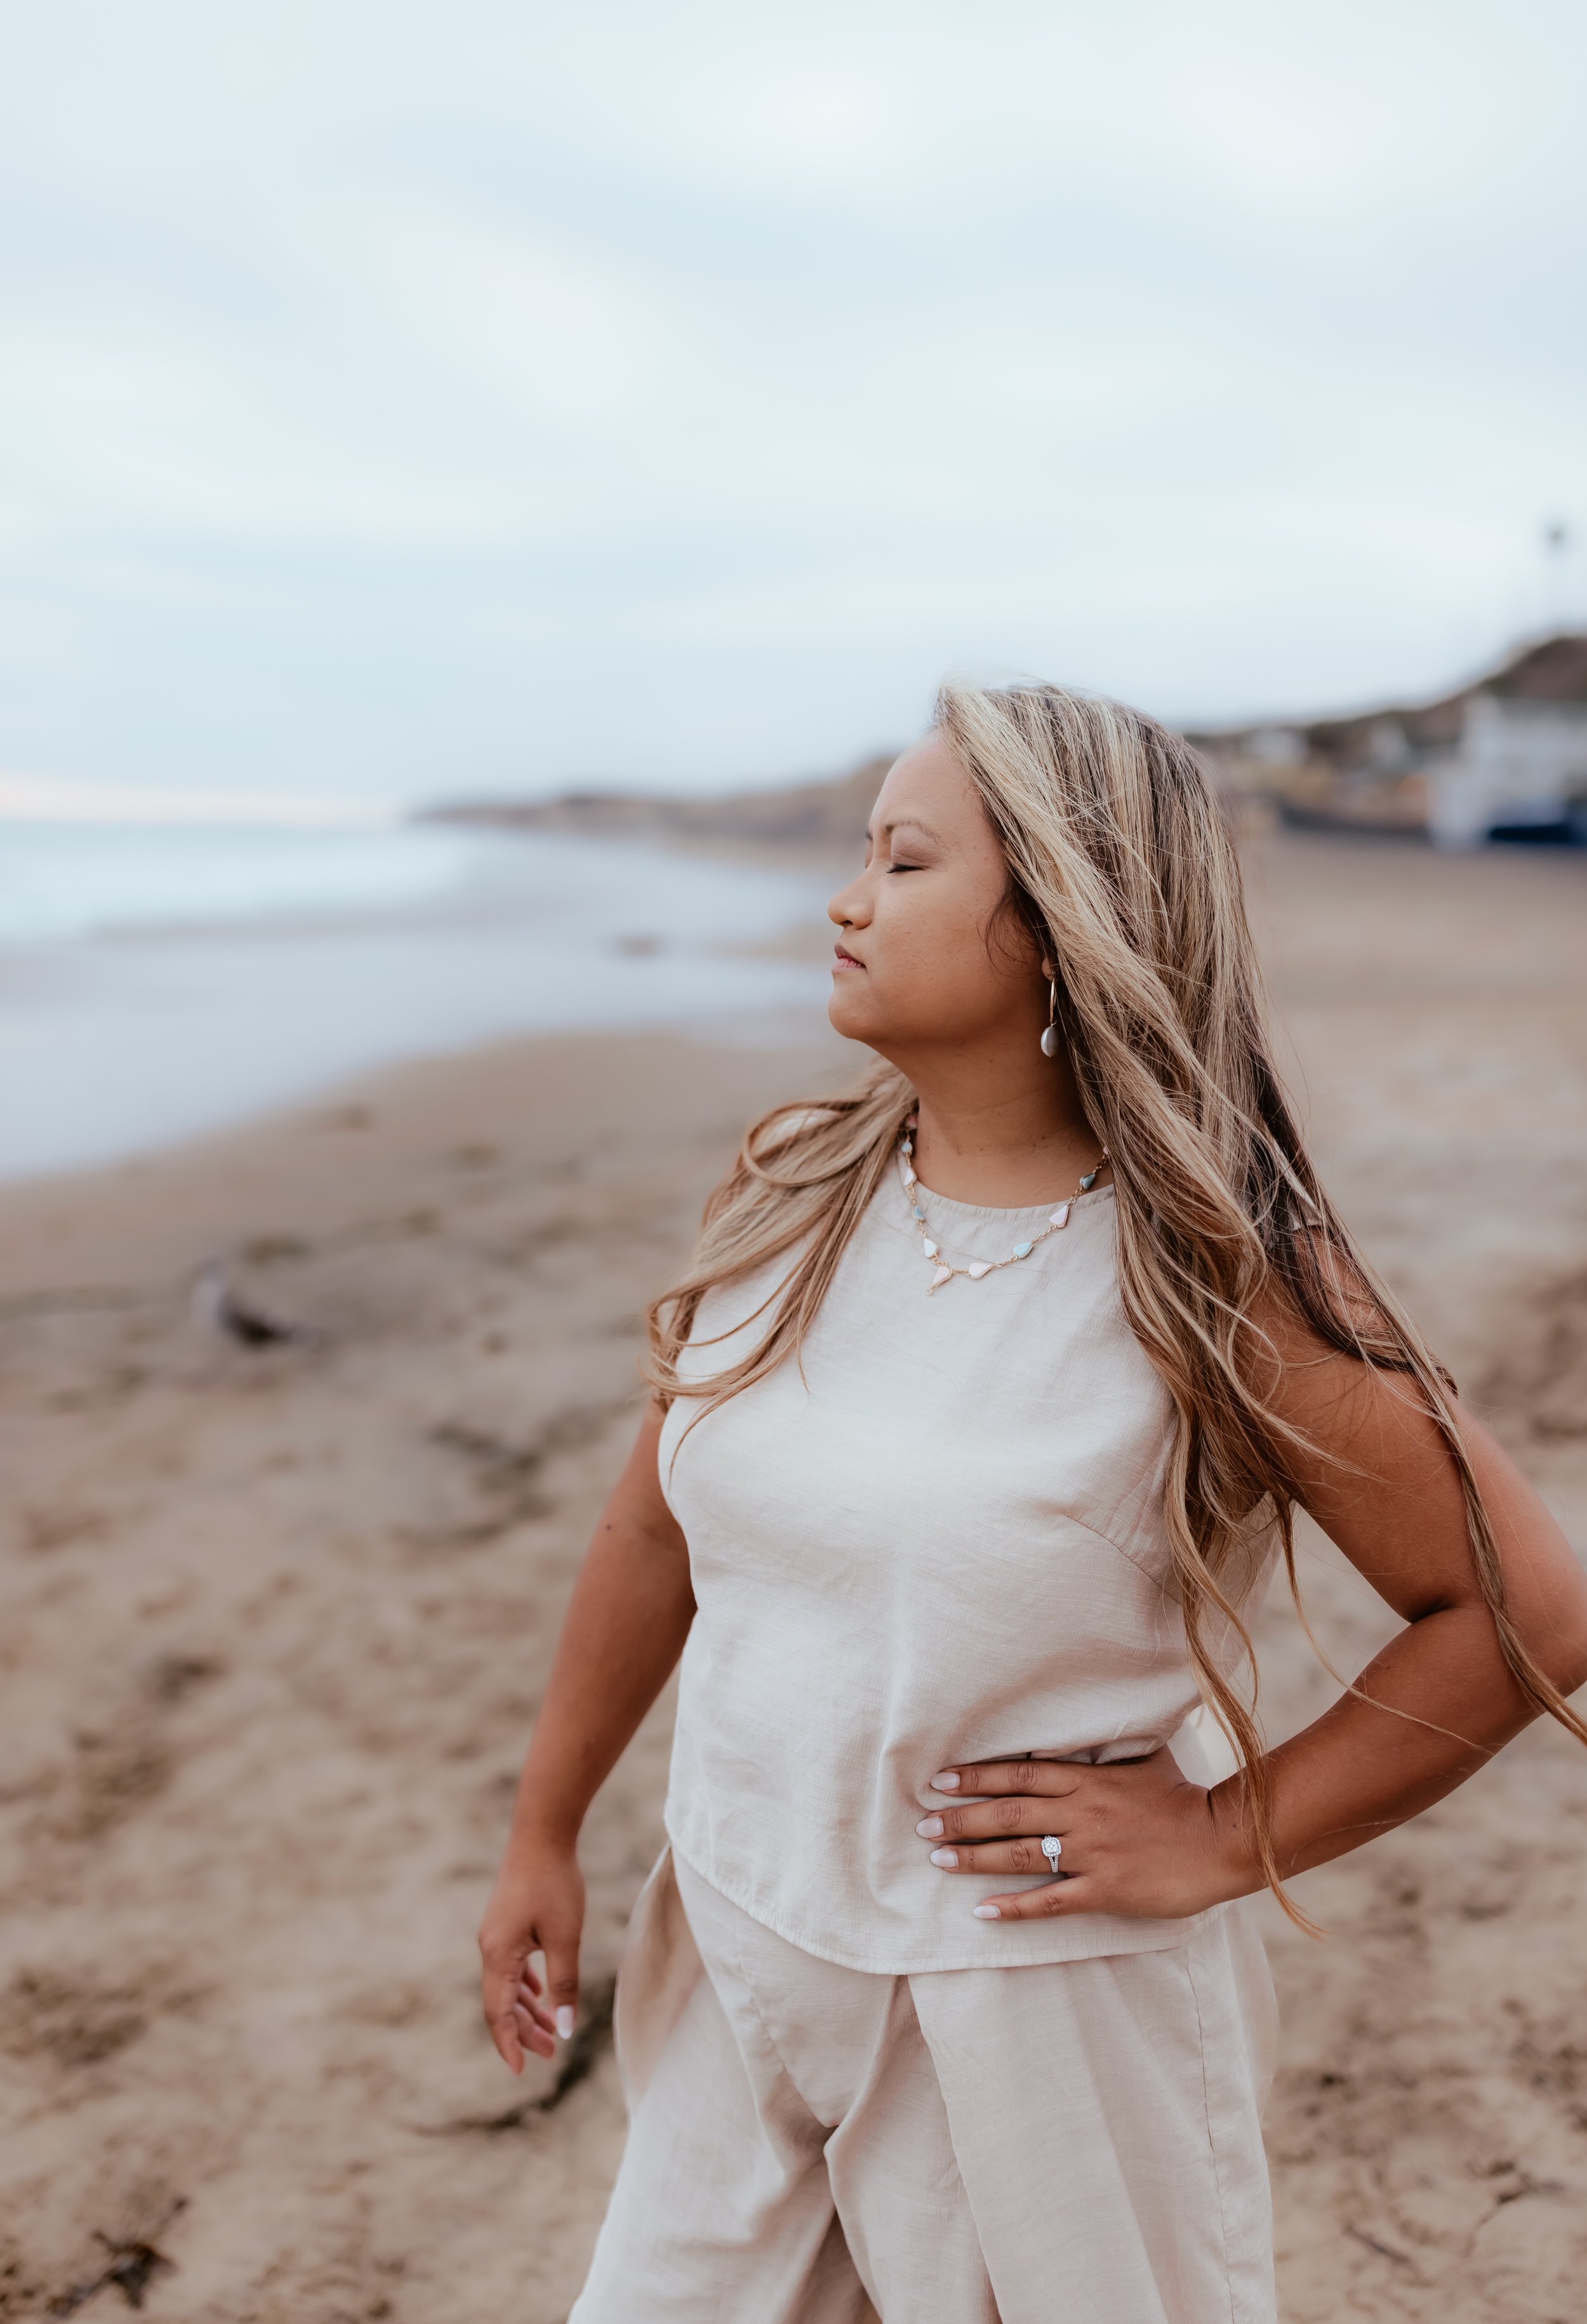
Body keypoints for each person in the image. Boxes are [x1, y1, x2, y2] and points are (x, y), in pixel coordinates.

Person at [479, 683, 1587, 2323]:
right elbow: (655, 1528)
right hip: (743, 1940)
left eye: (904, 860)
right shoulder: (795, 1187)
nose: (846, 900)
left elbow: (1520, 1617)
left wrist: (1223, 1832)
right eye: (862, 854)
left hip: (1031, 2014)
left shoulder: (1211, 1275)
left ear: (1060, 921)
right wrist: (543, 1826)